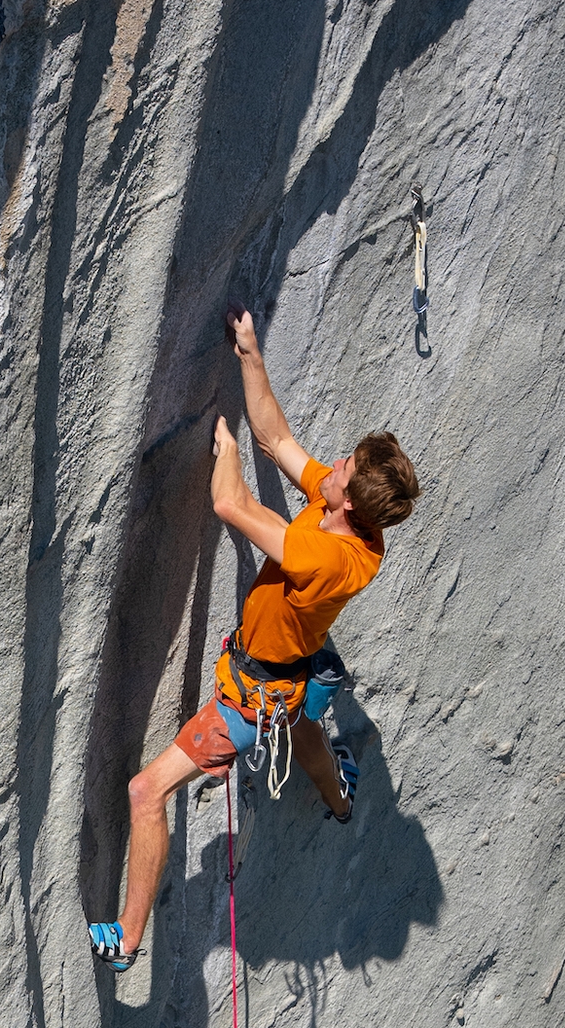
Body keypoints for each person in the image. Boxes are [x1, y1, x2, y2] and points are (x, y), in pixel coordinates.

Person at [89, 308, 420, 973]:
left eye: (343, 467)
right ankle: (340, 797)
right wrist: (248, 351)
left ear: (349, 500)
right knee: (305, 728)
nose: (332, 466)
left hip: (251, 696)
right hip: (301, 670)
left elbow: (232, 505)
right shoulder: (358, 528)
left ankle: (126, 941)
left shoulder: (324, 556)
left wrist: (227, 451)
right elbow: (278, 437)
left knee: (146, 793)